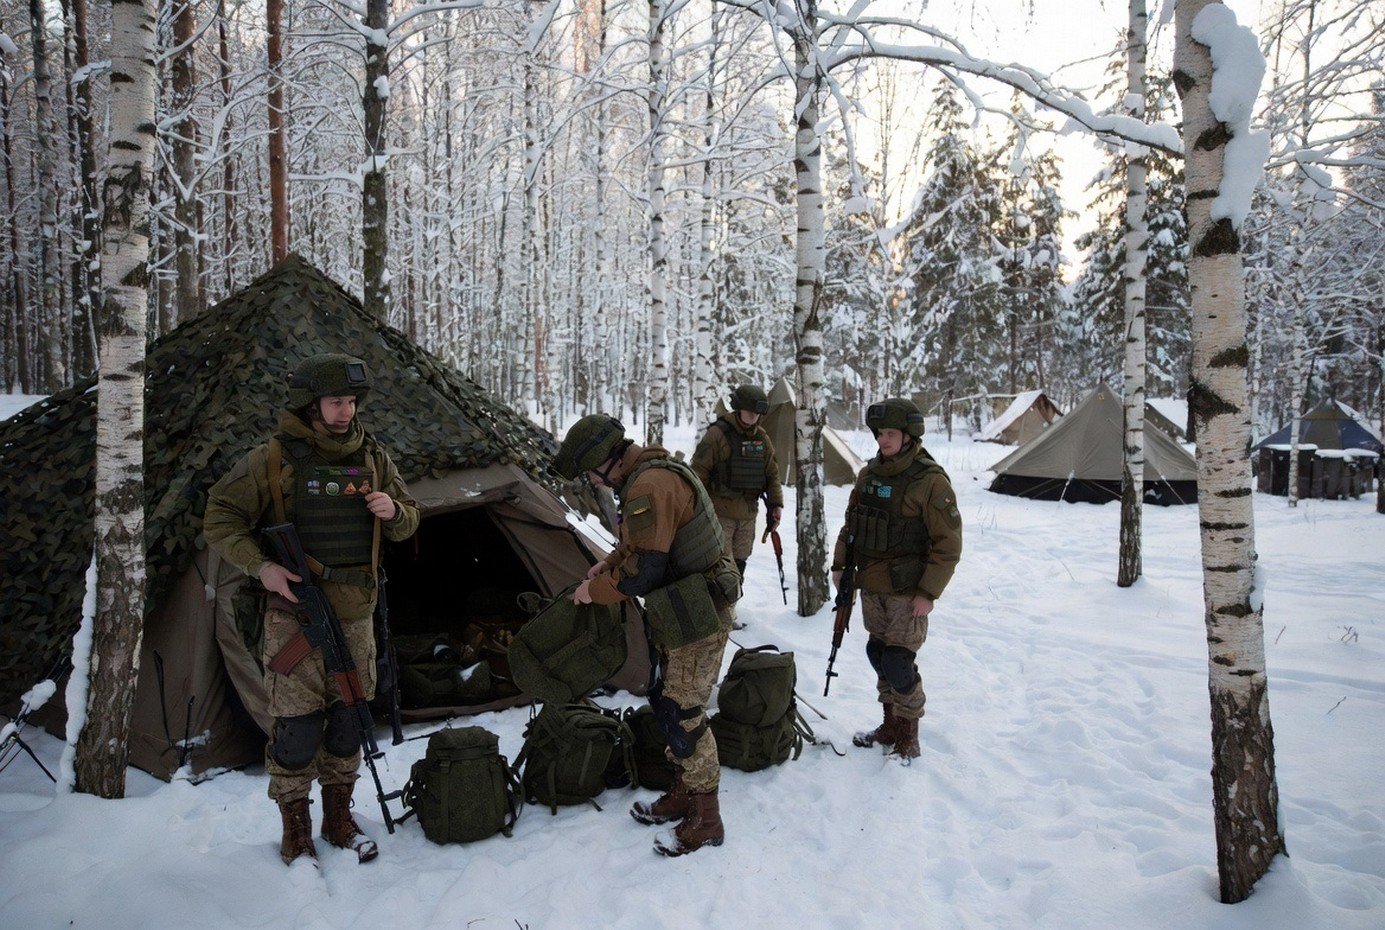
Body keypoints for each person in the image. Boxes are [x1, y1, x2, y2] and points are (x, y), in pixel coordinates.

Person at [203, 354, 419, 865]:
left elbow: (410, 522)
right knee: (297, 729)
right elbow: (220, 517)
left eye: (351, 401)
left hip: (356, 613)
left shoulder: (374, 459)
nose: (345, 411)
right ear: (311, 404)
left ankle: (338, 817)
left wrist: (395, 512)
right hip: (293, 613)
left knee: (349, 721)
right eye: (335, 401)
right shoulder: (272, 459)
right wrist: (263, 568)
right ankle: (295, 827)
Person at [554, 414, 739, 856]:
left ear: (605, 464)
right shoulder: (648, 474)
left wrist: (593, 591)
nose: (592, 481)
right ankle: (683, 792)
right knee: (665, 700)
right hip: (681, 607)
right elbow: (644, 544)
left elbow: (643, 573)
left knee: (684, 712)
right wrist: (609, 561)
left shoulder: (648, 486)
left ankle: (706, 817)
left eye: (590, 473)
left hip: (697, 613)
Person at [830, 398, 962, 760]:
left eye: (891, 433)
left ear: (908, 435)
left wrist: (929, 592)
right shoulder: (869, 475)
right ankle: (890, 724)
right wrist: (839, 566)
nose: (883, 440)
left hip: (908, 591)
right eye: (879, 433)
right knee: (878, 653)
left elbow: (947, 544)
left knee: (898, 663)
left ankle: (909, 735)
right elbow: (852, 525)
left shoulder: (929, 481)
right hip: (872, 585)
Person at [690, 385, 784, 626]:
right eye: (749, 411)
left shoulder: (762, 439)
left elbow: (772, 474)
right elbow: (698, 472)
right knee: (720, 565)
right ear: (738, 408)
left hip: (748, 514)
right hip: (719, 512)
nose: (753, 417)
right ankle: (714, 614)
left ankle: (728, 610)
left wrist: (776, 504)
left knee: (740, 563)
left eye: (757, 413)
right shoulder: (718, 434)